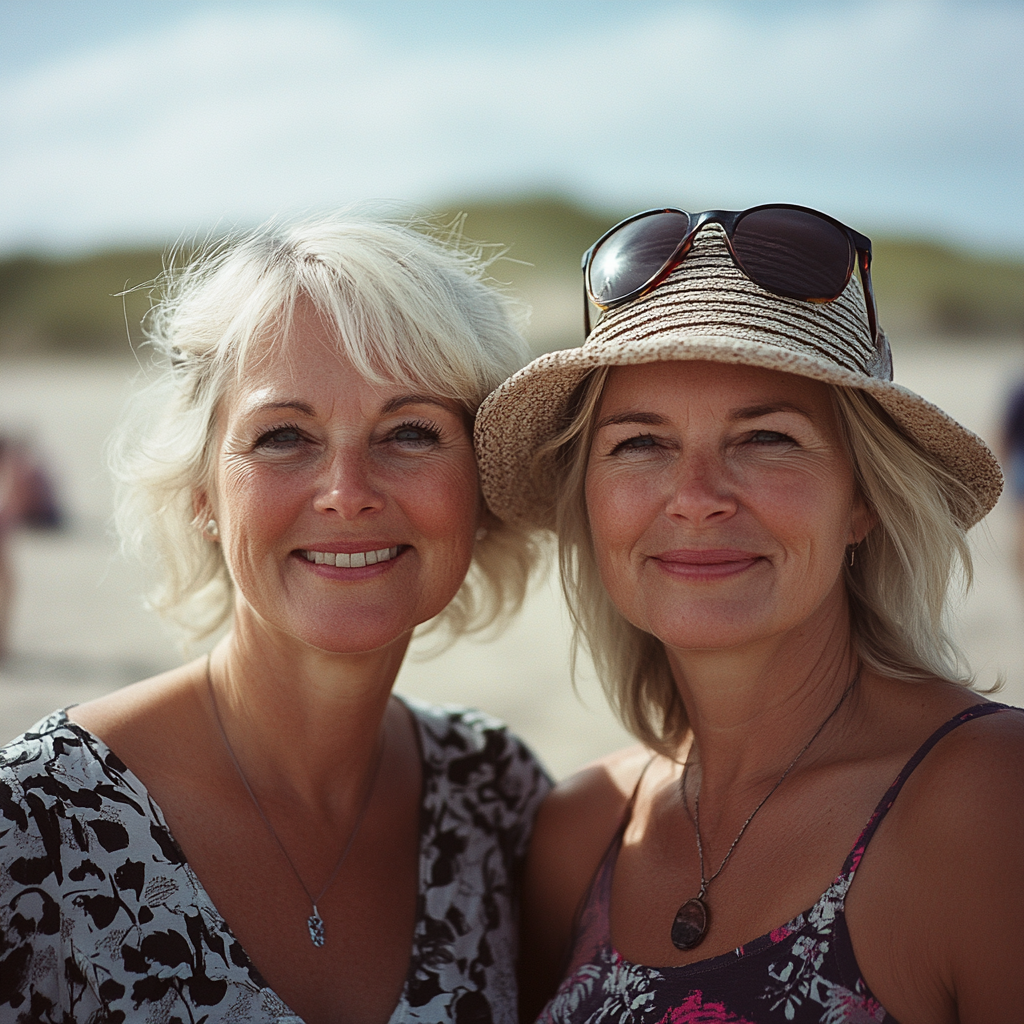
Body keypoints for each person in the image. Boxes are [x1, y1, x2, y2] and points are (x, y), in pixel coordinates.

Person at [474, 206, 1024, 1023]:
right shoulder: (578, 832)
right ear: (589, 501)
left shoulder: (990, 803)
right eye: (640, 444)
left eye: (765, 438)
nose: (696, 498)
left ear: (863, 499)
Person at [0, 218, 551, 1023]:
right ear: (202, 499)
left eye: (410, 432)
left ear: (481, 489)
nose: (347, 489)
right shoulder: (32, 827)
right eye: (284, 436)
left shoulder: (499, 800)